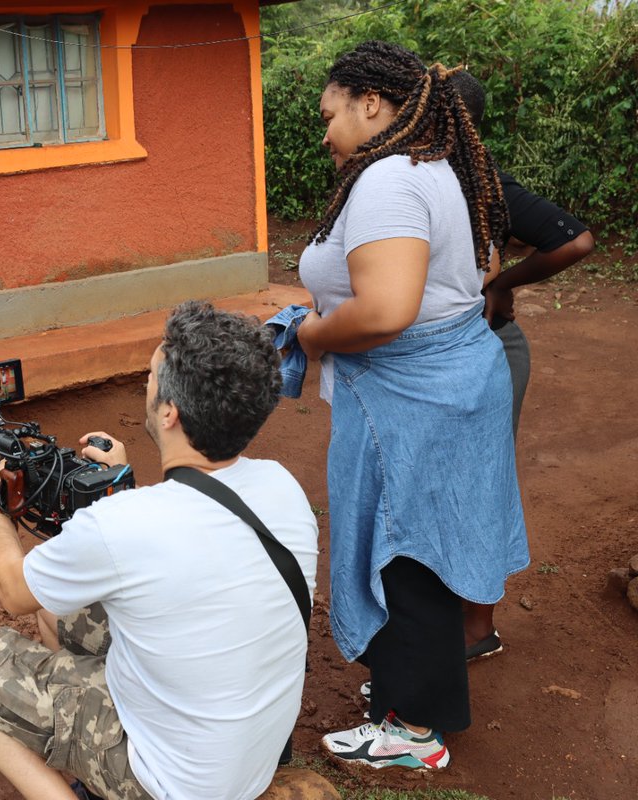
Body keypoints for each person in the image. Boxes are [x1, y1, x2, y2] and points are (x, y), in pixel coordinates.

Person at [0, 302, 319, 800]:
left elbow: (13, 589)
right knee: (58, 610)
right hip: (247, 759)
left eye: (152, 377)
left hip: (176, 785)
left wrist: (0, 515)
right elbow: (183, 527)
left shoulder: (126, 524)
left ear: (170, 412)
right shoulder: (281, 484)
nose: (147, 385)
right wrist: (122, 480)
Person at [295, 41, 529, 770]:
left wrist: (311, 334)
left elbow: (388, 308)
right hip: (448, 379)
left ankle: (412, 732)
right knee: (422, 541)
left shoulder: (390, 181)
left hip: (413, 393)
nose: (325, 131)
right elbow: (481, 270)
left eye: (330, 114)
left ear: (372, 103)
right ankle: (418, 700)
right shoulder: (433, 168)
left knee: (403, 547)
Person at [449, 69, 595, 659]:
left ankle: (477, 628)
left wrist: (500, 284)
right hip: (456, 354)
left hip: (491, 350)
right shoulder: (414, 185)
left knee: (481, 486)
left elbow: (575, 240)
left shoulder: (485, 186)